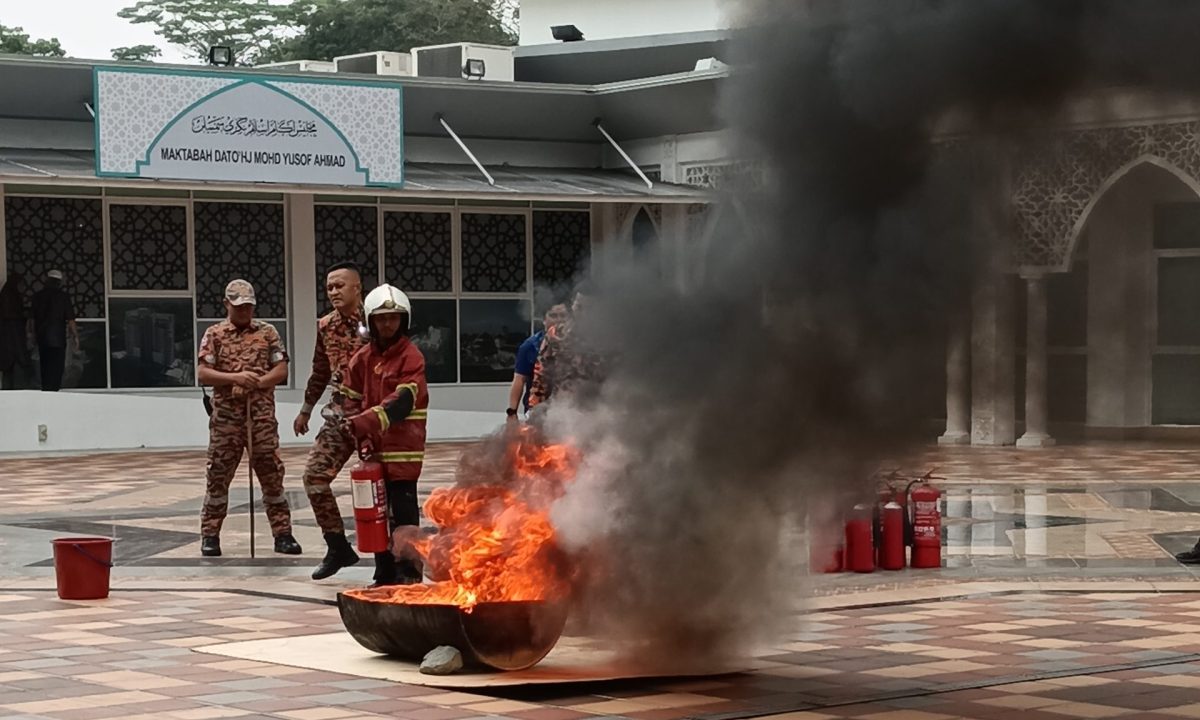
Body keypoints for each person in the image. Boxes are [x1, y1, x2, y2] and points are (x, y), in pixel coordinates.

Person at [196, 279, 301, 558]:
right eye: (239, 307)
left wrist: (258, 382)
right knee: (218, 476)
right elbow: (203, 373)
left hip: (261, 419)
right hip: (226, 421)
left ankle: (283, 534)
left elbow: (281, 369)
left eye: (249, 307)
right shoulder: (214, 334)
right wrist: (235, 378)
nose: (245, 312)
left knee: (271, 476)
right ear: (227, 304)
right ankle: (210, 535)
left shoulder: (267, 332)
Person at [341, 284, 429, 587]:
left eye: (393, 318)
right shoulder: (361, 359)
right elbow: (349, 399)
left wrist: (363, 422)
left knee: (403, 517)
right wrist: (359, 434)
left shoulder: (411, 356)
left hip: (403, 454)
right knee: (374, 514)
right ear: (371, 321)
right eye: (381, 318)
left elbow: (404, 401)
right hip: (373, 453)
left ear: (403, 320)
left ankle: (408, 572)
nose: (387, 323)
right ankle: (382, 572)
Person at [294, 262, 369, 580]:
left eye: (340, 286)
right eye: (329, 287)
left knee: (384, 488)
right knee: (313, 478)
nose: (334, 292)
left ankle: (391, 558)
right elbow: (320, 370)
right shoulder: (325, 326)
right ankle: (337, 546)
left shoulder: (379, 319)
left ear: (357, 288)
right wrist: (306, 409)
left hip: (375, 416)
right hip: (339, 415)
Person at [528, 283, 605, 409]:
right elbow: (541, 374)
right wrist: (534, 408)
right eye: (579, 307)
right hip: (563, 410)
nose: (584, 314)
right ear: (572, 305)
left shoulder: (607, 338)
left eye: (589, 309)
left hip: (598, 410)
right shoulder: (556, 334)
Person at [506, 304, 567, 420]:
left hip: (570, 411)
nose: (559, 320)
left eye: (563, 316)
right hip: (539, 411)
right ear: (544, 320)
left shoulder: (579, 345)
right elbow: (519, 379)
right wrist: (512, 413)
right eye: (553, 316)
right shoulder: (530, 346)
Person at [31, 270, 78, 392]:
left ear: (46, 280)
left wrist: (31, 335)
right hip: (58, 339)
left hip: (42, 338)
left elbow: (31, 319)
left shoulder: (37, 296)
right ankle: (54, 392)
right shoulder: (63, 297)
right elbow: (70, 319)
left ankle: (46, 391)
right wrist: (75, 336)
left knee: (45, 367)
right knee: (57, 368)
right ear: (59, 282)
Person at [0, 274, 30, 390]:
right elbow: (9, 314)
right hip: (11, 336)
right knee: (14, 366)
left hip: (9, 337)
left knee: (10, 368)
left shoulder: (10, 294)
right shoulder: (9, 295)